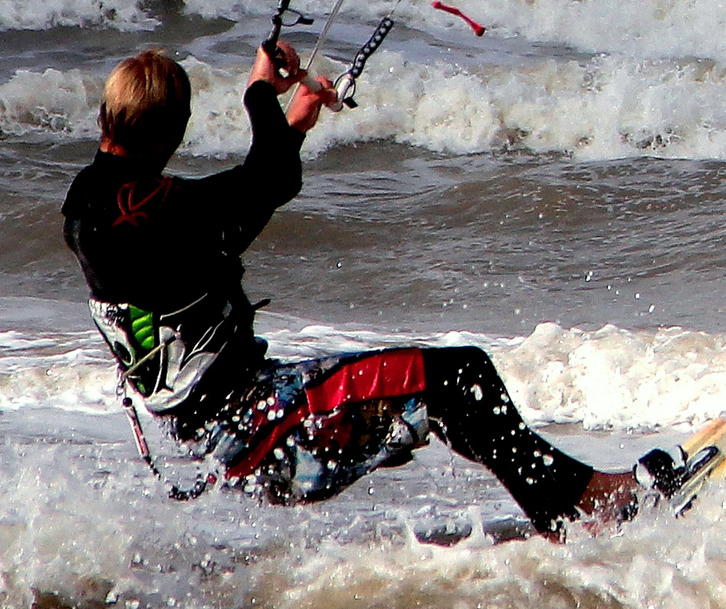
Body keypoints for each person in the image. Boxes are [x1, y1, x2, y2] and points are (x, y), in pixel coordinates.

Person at [62, 42, 658, 538]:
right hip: (258, 435)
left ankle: (570, 501)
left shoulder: (88, 208)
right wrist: (259, 94)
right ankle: (584, 508)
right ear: (177, 131)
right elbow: (255, 186)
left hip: (220, 444)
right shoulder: (149, 211)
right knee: (462, 376)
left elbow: (232, 216)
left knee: (445, 393)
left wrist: (290, 129)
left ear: (104, 120)